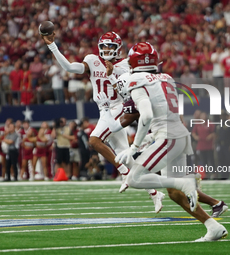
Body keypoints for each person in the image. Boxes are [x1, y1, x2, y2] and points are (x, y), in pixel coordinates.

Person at [106, 42, 227, 241]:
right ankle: (212, 226)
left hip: (168, 137)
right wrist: (150, 138)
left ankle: (186, 183)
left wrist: (135, 147)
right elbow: (167, 113)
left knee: (134, 178)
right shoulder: (166, 78)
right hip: (177, 134)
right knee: (175, 194)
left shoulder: (136, 79)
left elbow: (145, 116)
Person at [42, 31, 161, 201]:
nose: (106, 49)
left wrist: (114, 74)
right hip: (104, 110)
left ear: (117, 47)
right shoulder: (92, 60)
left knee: (94, 140)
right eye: (104, 46)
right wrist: (52, 46)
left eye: (110, 46)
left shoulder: (127, 65)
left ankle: (124, 173)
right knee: (124, 155)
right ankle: (155, 193)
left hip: (119, 107)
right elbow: (69, 67)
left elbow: (128, 91)